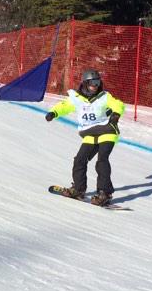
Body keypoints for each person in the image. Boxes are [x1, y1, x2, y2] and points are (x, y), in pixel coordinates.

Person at [45, 69, 125, 206]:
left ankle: (104, 193)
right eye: (92, 83)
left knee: (102, 160)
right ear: (85, 83)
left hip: (107, 130)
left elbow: (118, 104)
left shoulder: (104, 97)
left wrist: (116, 114)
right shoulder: (77, 98)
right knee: (80, 160)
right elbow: (65, 106)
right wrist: (54, 112)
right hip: (89, 133)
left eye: (98, 82)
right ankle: (78, 189)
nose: (95, 85)